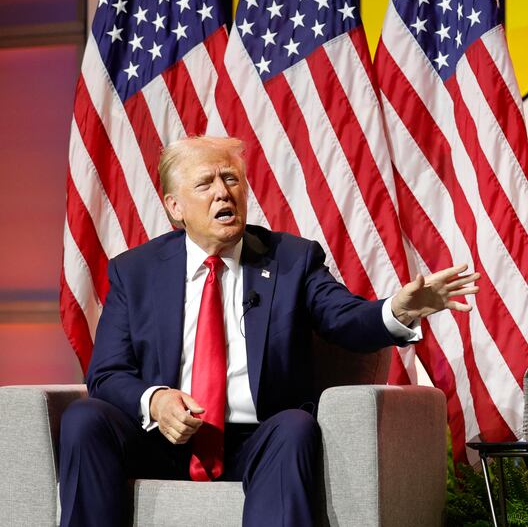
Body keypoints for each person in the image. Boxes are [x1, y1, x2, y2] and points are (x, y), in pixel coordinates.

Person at [58, 136, 479, 527]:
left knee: (294, 426)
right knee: (85, 418)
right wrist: (155, 402)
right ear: (174, 207)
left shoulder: (291, 260)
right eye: (205, 184)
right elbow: (107, 374)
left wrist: (398, 311)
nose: (224, 192)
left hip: (256, 440)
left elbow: (346, 320)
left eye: (232, 179)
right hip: (163, 439)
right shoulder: (136, 272)